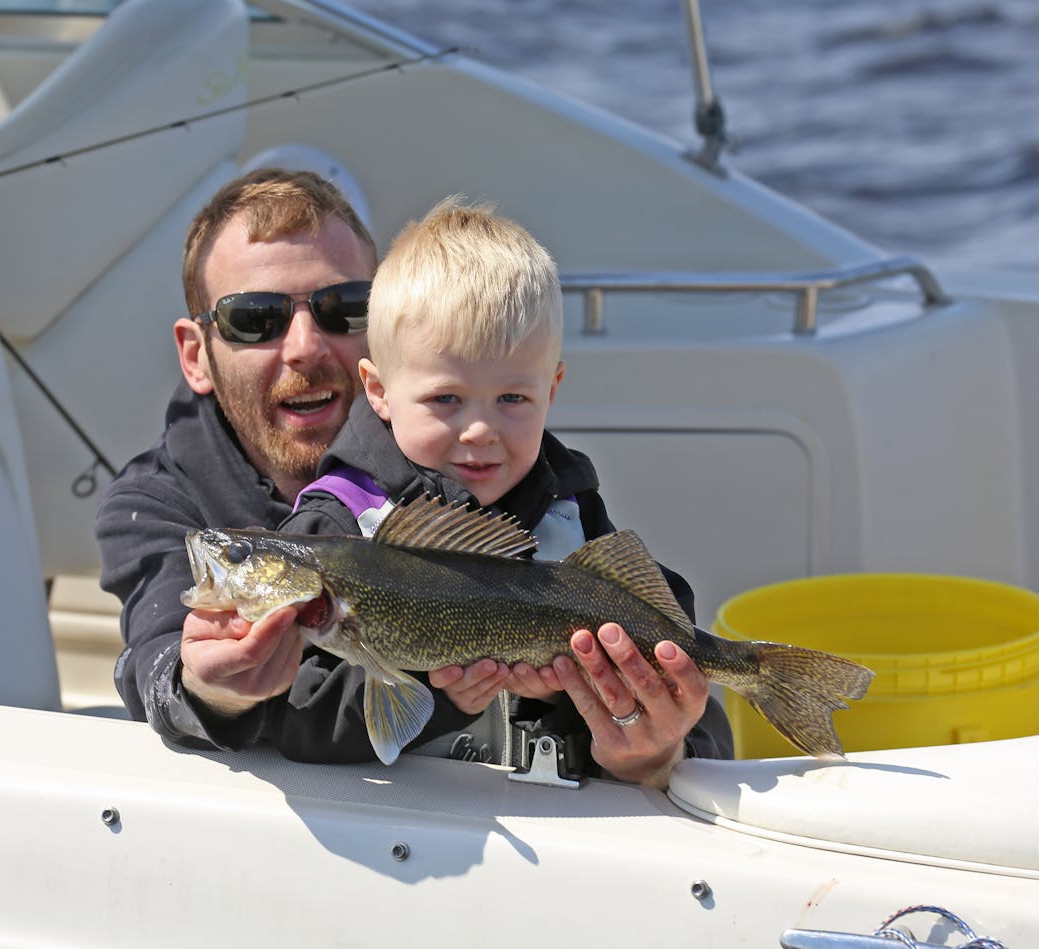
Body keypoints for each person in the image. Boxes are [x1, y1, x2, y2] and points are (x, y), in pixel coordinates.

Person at [281, 197, 732, 786]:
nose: (480, 430)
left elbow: (701, 735)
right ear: (379, 389)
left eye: (513, 399)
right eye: (446, 399)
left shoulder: (575, 515)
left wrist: (649, 749)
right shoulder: (333, 533)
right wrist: (436, 693)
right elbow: (288, 717)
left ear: (553, 388)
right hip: (406, 834)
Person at [97, 168, 492, 760]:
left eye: (344, 307)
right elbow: (158, 662)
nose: (306, 346)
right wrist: (209, 688)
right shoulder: (153, 506)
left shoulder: (471, 445)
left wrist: (647, 743)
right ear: (195, 354)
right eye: (255, 317)